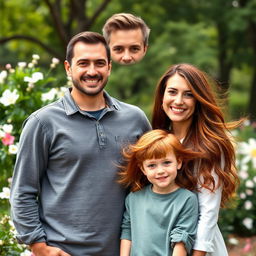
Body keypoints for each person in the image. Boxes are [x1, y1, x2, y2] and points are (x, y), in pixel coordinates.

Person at [10, 31, 151, 256]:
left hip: (125, 250)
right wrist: (38, 246)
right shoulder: (43, 123)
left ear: (110, 67)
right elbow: (23, 191)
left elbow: (151, 183)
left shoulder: (135, 119)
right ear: (68, 68)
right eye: (83, 63)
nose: (92, 71)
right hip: (63, 251)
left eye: (99, 63)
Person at [152, 63, 240, 256]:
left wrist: (197, 253)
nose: (178, 100)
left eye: (188, 94)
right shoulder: (157, 139)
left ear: (199, 99)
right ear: (162, 96)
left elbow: (208, 212)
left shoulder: (209, 145)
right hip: (161, 241)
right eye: (172, 92)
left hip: (197, 246)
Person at [118, 129, 202, 256]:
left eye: (167, 163)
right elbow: (127, 231)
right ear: (143, 169)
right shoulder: (134, 198)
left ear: (178, 163)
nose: (160, 171)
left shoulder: (187, 199)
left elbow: (181, 240)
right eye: (152, 165)